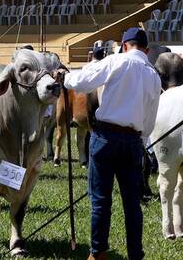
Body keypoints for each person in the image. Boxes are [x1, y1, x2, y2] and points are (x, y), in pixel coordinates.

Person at [58, 28, 161, 260]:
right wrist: (140, 141)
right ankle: (136, 254)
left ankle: (98, 253)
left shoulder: (116, 61)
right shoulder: (153, 75)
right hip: (133, 140)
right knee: (132, 205)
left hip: (105, 137)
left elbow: (82, 82)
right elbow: (150, 118)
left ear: (125, 45)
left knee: (100, 201)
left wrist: (65, 76)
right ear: (146, 49)